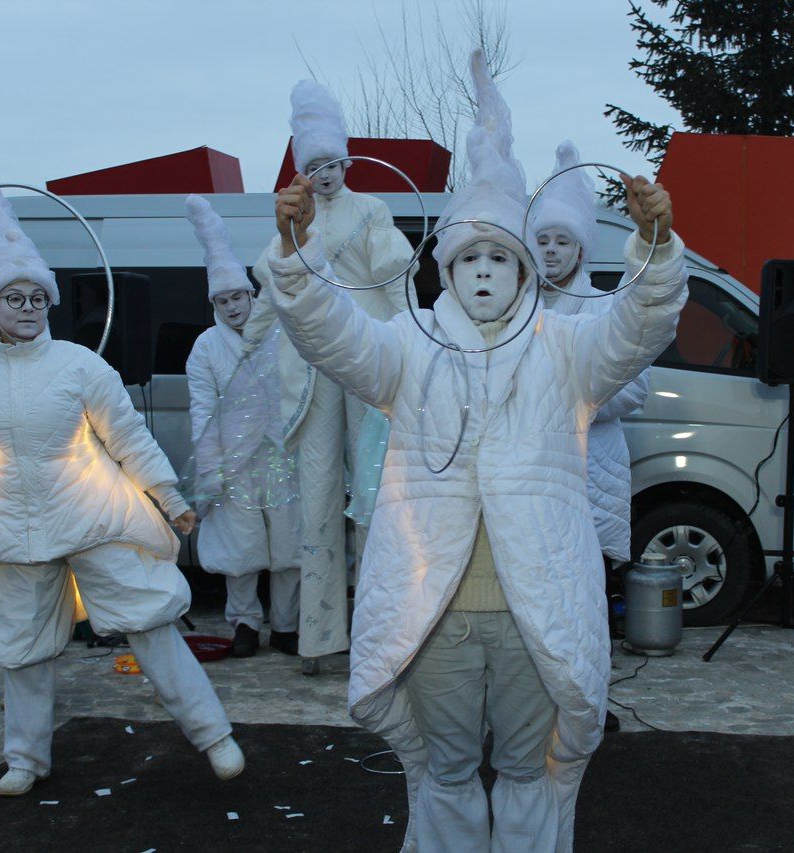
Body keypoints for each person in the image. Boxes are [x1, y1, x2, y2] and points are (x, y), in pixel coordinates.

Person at [264, 51, 688, 852]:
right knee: (448, 774)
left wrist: (657, 249)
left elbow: (640, 326)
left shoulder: (567, 350)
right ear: (448, 268)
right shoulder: (408, 347)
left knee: (529, 773)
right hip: (439, 618)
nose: (486, 272)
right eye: (471, 258)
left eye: (501, 257)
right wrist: (294, 261)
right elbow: (331, 335)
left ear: (524, 267)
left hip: (539, 616)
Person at [0, 152, 243, 797]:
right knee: (23, 649)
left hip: (92, 512)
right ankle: (25, 760)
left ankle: (214, 735)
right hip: (7, 523)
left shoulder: (80, 366)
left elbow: (128, 438)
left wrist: (168, 498)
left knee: (148, 622)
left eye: (38, 297)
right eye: (15, 297)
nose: (28, 307)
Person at [243, 79, 417, 675]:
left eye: (332, 161)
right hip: (313, 373)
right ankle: (319, 639)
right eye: (312, 164)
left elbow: (395, 280)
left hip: (364, 364)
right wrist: (248, 344)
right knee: (317, 502)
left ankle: (377, 630)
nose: (324, 173)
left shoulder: (371, 210)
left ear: (346, 158)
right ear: (301, 168)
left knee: (371, 498)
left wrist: (409, 336)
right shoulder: (294, 222)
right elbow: (274, 290)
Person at [183, 194, 301, 658]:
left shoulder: (282, 332)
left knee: (291, 544)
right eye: (223, 300)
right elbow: (202, 410)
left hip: (283, 455)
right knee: (241, 550)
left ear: (251, 295)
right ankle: (245, 625)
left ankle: (288, 626)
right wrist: (210, 468)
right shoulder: (206, 348)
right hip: (236, 463)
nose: (232, 306)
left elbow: (301, 390)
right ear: (214, 302)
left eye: (238, 297)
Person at [530, 141, 651, 569]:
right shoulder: (514, 311)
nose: (550, 250)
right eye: (542, 240)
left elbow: (634, 388)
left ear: (580, 251)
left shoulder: (603, 306)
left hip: (591, 465)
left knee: (585, 578)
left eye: (562, 241)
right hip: (529, 466)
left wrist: (568, 404)